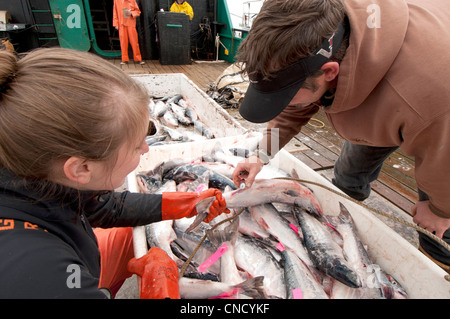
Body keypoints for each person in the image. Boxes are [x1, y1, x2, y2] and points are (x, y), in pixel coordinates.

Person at [231, 0, 450, 271]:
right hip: (384, 100)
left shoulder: (427, 101)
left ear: (330, 72)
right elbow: (296, 107)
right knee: (347, 175)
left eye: (285, 96)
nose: (285, 103)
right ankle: (344, 217)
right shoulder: (323, 35)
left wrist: (441, 210)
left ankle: (438, 267)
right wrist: (261, 155)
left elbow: (444, 157)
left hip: (438, 122)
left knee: (438, 220)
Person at [0, 47, 229, 298]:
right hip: (62, 276)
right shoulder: (38, 272)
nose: (145, 148)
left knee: (125, 236)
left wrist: (189, 204)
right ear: (81, 168)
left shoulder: (34, 173)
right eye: (135, 145)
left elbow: (104, 208)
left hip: (75, 261)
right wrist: (158, 285)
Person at [113, 0, 145, 65]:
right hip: (121, 24)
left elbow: (138, 11)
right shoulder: (116, 1)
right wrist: (116, 24)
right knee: (123, 43)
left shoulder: (132, 0)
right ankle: (124, 59)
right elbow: (115, 12)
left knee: (134, 42)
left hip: (131, 24)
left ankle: (138, 58)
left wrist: (131, 13)